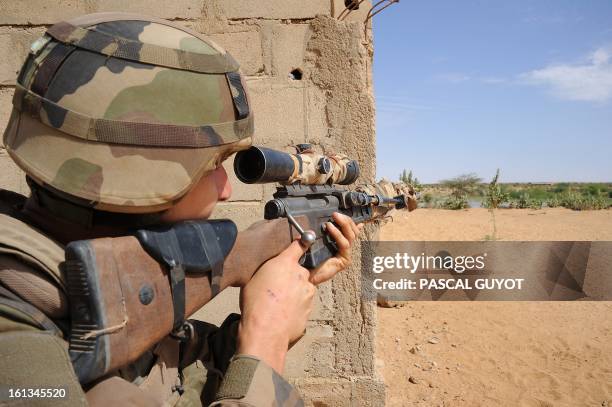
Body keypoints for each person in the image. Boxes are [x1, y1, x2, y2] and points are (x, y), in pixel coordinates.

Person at [0, 12, 361, 406]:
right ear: (139, 174)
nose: (225, 190)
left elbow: (172, 374)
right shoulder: (18, 343)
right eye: (213, 165)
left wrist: (271, 306)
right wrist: (266, 343)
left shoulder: (69, 290)